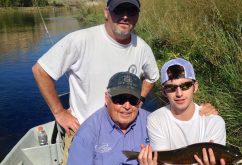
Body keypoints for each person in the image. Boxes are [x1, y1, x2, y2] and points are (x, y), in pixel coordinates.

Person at [32, 0, 159, 136]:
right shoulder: (80, 40)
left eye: (131, 11)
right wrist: (59, 112)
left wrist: (139, 101)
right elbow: (41, 71)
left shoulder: (142, 48)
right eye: (119, 10)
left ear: (138, 16)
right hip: (83, 131)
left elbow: (152, 77)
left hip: (124, 132)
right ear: (106, 12)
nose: (125, 16)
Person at [138, 58, 227, 165]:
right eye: (171, 88)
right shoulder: (156, 119)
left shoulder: (215, 121)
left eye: (185, 86)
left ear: (195, 87)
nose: (179, 93)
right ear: (163, 92)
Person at [66, 71, 150, 165]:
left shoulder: (153, 123)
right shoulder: (86, 134)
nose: (127, 106)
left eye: (133, 100)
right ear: (106, 98)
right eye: (120, 99)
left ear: (139, 102)